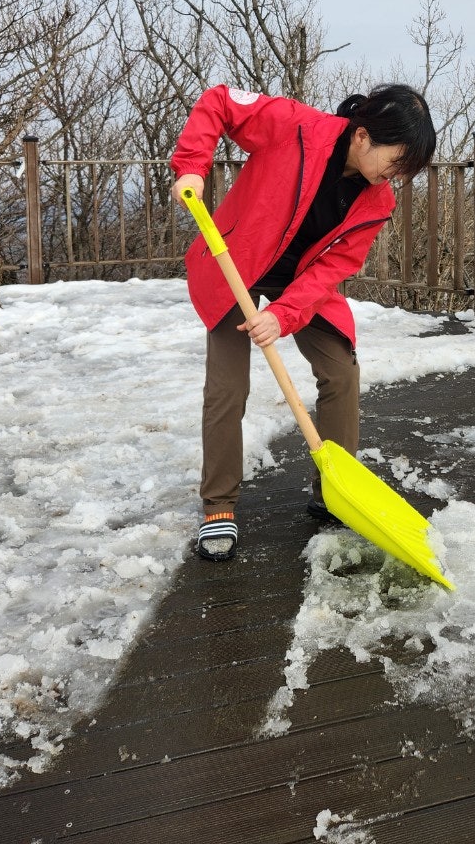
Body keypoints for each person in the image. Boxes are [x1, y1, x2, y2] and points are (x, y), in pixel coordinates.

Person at [170, 82, 436, 561]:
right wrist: (193, 167)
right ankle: (219, 506)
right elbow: (219, 102)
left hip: (300, 285)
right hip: (237, 264)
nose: (395, 176)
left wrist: (283, 314)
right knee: (229, 386)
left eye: (405, 169)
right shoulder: (294, 127)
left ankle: (333, 493)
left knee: (341, 370)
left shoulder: (378, 202)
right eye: (395, 161)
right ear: (362, 136)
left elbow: (334, 267)